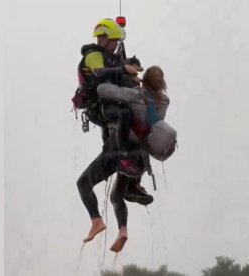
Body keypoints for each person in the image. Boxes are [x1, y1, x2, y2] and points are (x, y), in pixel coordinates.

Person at [76, 19, 153, 244]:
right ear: (105, 38)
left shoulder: (113, 57)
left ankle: (116, 220)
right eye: (115, 41)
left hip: (115, 142)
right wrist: (123, 69)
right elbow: (101, 74)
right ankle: (100, 220)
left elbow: (121, 65)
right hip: (97, 107)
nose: (117, 45)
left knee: (125, 117)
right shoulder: (93, 55)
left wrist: (132, 63)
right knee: (123, 117)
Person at [98, 66, 177, 252]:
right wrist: (143, 84)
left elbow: (103, 90)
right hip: (142, 157)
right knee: (122, 189)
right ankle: (135, 189)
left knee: (116, 195)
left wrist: (121, 77)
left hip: (126, 153)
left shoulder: (134, 95)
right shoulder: (164, 101)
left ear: (145, 80)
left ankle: (123, 231)